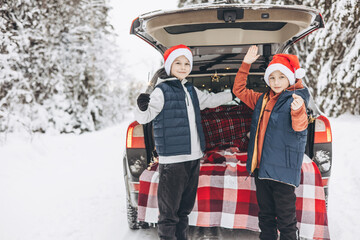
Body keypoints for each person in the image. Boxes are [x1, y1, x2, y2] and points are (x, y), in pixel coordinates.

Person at [135, 44, 233, 240]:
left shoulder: (189, 88)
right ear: (169, 65)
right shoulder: (161, 91)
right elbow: (144, 118)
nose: (182, 66)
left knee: (184, 211)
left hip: (193, 158)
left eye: (187, 63)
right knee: (169, 213)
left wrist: (233, 95)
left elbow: (209, 100)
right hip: (172, 160)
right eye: (178, 63)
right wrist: (142, 107)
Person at [233, 45, 309, 240]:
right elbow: (239, 90)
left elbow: (300, 127)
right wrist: (246, 63)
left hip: (282, 174)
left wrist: (299, 110)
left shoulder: (296, 98)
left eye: (281, 77)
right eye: (272, 78)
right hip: (262, 170)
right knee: (266, 218)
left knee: (286, 222)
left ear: (290, 79)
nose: (276, 82)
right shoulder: (262, 99)